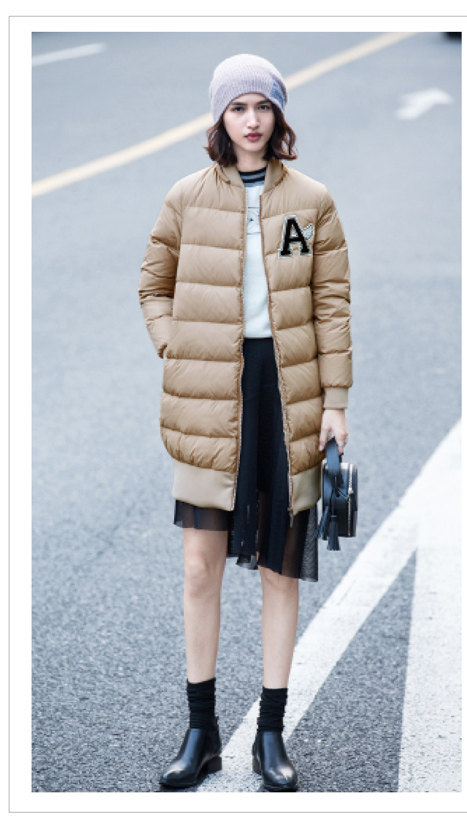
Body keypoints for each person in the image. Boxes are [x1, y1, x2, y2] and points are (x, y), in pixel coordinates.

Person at [138, 53, 352, 792]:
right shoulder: (186, 197)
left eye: (263, 106)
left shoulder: (312, 201)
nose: (252, 120)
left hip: (286, 391)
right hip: (209, 393)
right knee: (199, 566)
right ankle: (200, 733)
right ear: (219, 118)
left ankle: (269, 734)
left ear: (279, 115)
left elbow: (331, 305)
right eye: (238, 107)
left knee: (277, 570)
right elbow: (152, 283)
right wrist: (176, 344)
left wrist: (334, 401)